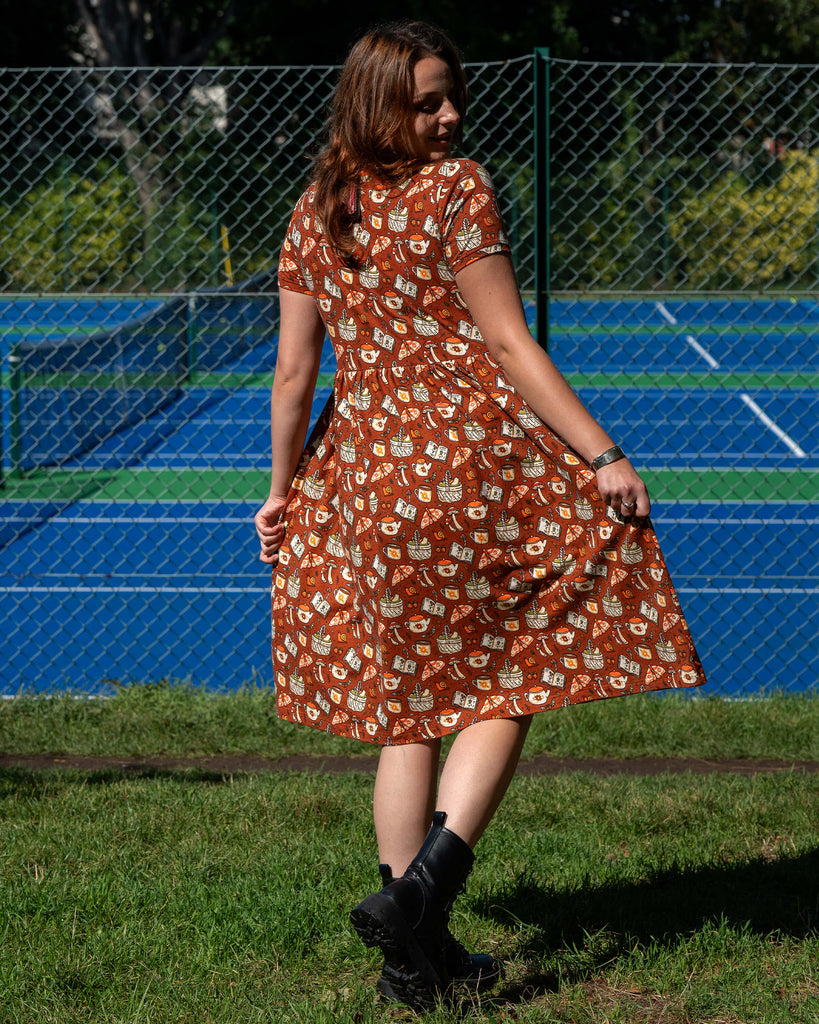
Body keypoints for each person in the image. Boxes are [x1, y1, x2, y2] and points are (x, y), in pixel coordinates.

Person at [255, 20, 705, 1010]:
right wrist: (604, 453)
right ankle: (424, 894)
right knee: (514, 671)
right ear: (380, 103)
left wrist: (283, 488)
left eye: (451, 96)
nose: (451, 114)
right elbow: (508, 345)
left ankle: (411, 960)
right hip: (467, 477)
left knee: (408, 706)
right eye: (428, 101)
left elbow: (293, 375)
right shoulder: (457, 189)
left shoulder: (313, 209)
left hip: (363, 482)